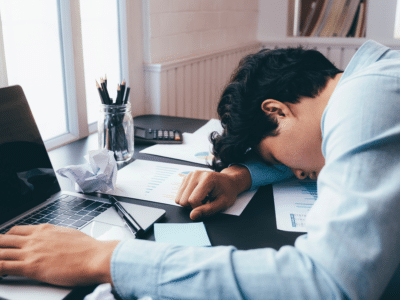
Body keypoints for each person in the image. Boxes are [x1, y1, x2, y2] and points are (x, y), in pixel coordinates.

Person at [1, 39, 400, 300]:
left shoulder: (365, 102)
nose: (298, 173)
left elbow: (331, 284)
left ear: (276, 111)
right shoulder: (372, 80)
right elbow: (309, 148)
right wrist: (240, 175)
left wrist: (103, 258)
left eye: (275, 158)